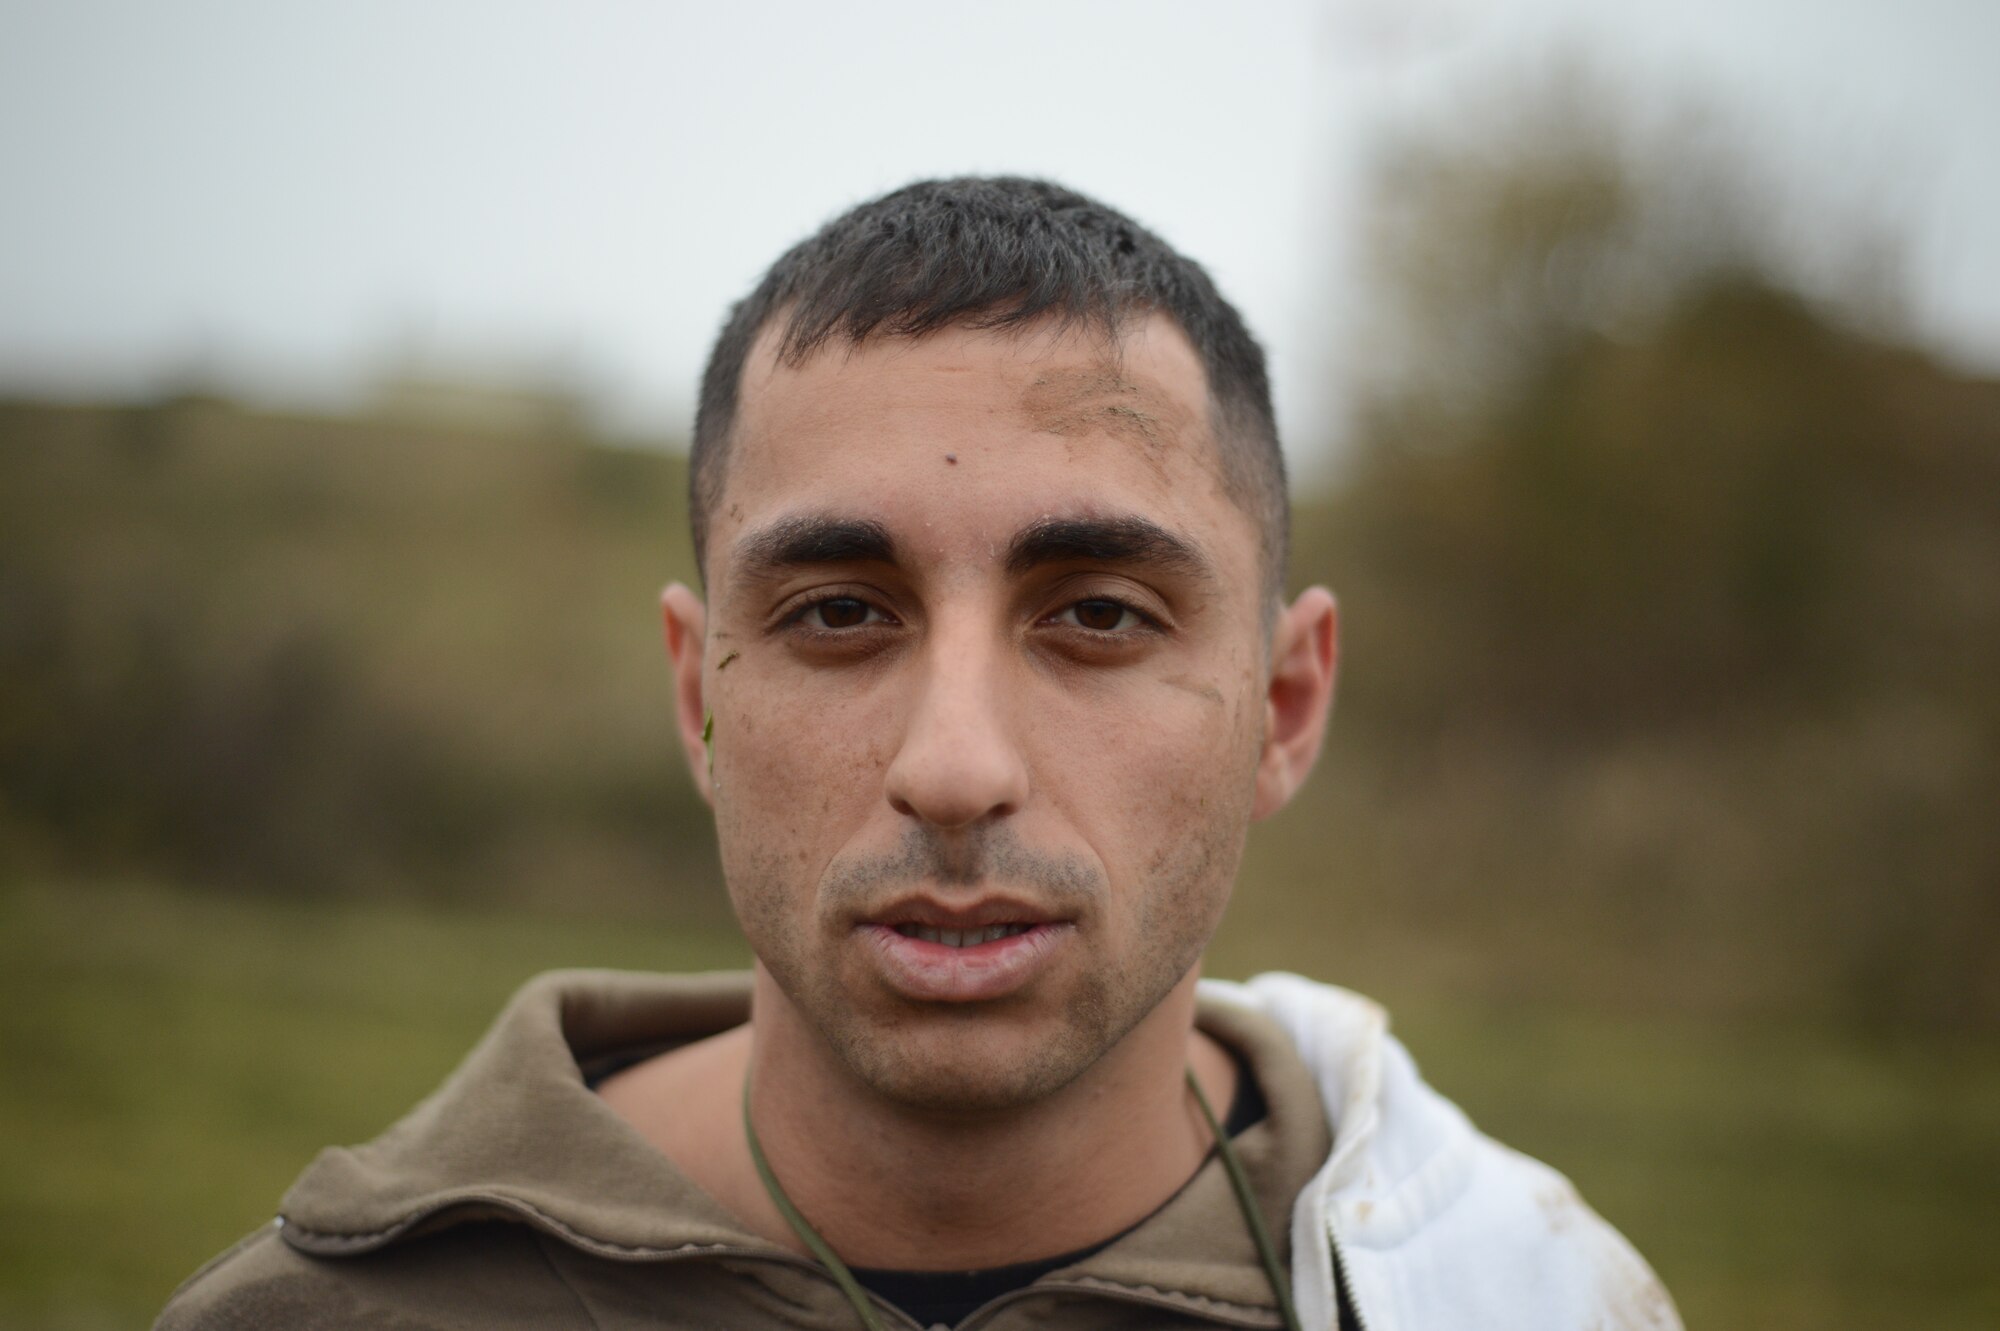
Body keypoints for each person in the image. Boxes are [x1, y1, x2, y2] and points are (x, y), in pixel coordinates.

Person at [158, 177, 1680, 1330]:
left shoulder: (1523, 1293)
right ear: (702, 695)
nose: (955, 771)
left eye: (1097, 612)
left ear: (1283, 707)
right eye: (836, 611)